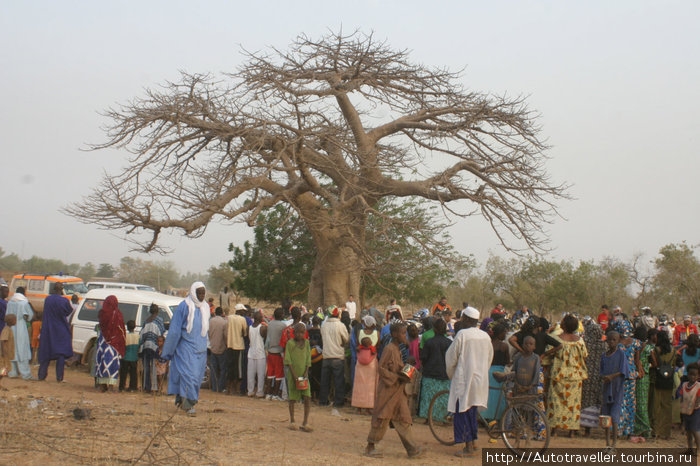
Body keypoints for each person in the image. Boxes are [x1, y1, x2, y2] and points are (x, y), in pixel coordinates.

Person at [364, 322, 423, 459]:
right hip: (388, 390)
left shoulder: (397, 349)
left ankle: (412, 448)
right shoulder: (389, 349)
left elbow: (398, 367)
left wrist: (408, 366)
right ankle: (370, 446)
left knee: (403, 418)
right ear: (395, 334)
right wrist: (396, 377)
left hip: (398, 391)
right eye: (403, 333)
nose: (405, 336)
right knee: (382, 417)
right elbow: (382, 368)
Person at [445, 306, 493, 457]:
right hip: (479, 381)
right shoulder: (485, 336)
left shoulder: (462, 335)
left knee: (462, 412)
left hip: (464, 380)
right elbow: (489, 358)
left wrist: (451, 373)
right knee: (472, 412)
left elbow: (451, 357)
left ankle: (466, 447)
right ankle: (474, 441)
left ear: (465, 319)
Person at [160, 282, 210, 415]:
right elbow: (175, 330)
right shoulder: (184, 307)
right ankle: (188, 405)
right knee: (189, 376)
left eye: (203, 293)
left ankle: (182, 400)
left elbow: (206, 330)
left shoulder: (205, 307)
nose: (201, 295)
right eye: (199, 293)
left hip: (200, 351)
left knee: (197, 378)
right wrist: (168, 351)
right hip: (186, 349)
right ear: (193, 292)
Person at [547, 314, 588, 437]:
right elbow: (585, 355)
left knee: (555, 402)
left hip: (558, 374)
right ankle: (572, 430)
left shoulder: (555, 339)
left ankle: (554, 428)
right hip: (575, 376)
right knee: (573, 404)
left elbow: (548, 356)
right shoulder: (579, 341)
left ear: (563, 325)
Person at [36, 283, 73, 382]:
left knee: (46, 351)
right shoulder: (64, 300)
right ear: (62, 290)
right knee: (60, 353)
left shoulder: (48, 299)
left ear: (53, 289)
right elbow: (69, 311)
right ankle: (59, 377)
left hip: (48, 328)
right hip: (61, 328)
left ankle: (41, 376)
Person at [418, 318, 452, 420]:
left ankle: (428, 418)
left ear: (435, 329)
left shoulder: (429, 342)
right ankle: (441, 418)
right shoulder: (449, 343)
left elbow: (423, 357)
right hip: (444, 375)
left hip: (430, 374)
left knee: (428, 397)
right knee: (442, 398)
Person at [600, 330, 628, 451]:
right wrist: (604, 378)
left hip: (617, 389)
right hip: (606, 389)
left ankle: (614, 444)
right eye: (609, 340)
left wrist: (611, 376)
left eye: (614, 340)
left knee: (615, 416)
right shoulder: (603, 356)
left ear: (618, 341)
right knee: (606, 417)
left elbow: (623, 371)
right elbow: (601, 372)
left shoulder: (621, 354)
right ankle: (607, 443)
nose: (611, 342)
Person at [615, 319, 641, 438]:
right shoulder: (635, 343)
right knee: (630, 403)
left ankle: (618, 430)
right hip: (631, 375)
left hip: (618, 375)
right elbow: (637, 360)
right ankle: (629, 430)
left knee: (619, 402)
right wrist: (640, 371)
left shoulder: (616, 343)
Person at [285, 323, 313, 432]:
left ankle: (305, 422)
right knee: (292, 398)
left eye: (302, 332)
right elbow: (288, 360)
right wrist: (294, 375)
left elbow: (308, 358)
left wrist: (306, 371)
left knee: (307, 397)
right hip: (293, 375)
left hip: (304, 376)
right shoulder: (290, 344)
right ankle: (292, 420)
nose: (300, 335)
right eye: (297, 332)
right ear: (294, 332)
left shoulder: (306, 343)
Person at [319, 305, 349, 407]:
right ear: (337, 314)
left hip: (326, 356)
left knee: (325, 381)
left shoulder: (323, 326)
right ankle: (338, 402)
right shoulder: (341, 326)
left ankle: (323, 401)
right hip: (337, 356)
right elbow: (346, 339)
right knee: (339, 381)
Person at [96, 295, 126, 391]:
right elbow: (121, 329)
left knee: (101, 361)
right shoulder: (118, 314)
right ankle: (111, 387)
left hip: (103, 341)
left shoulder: (102, 313)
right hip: (114, 343)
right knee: (112, 362)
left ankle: (101, 385)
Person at [651, 330, 675, 439]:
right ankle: (666, 432)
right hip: (669, 380)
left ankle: (656, 430)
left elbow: (655, 365)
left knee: (656, 406)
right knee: (667, 406)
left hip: (658, 379)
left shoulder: (656, 350)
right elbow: (674, 364)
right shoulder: (673, 350)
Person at [482, 323, 510, 422]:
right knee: (498, 396)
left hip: (487, 372)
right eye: (504, 333)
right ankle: (497, 418)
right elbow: (507, 361)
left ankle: (484, 417)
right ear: (500, 334)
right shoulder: (504, 346)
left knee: (487, 395)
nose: (505, 335)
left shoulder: (488, 344)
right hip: (499, 373)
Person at [351, 315, 379, 412]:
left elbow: (358, 345)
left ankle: (358, 406)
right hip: (371, 362)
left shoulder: (360, 332)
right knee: (370, 386)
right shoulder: (377, 333)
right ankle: (368, 407)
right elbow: (378, 347)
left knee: (359, 384)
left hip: (360, 361)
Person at [7, 287, 35, 380]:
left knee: (12, 348)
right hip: (20, 328)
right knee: (22, 349)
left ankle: (13, 372)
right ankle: (25, 374)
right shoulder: (24, 303)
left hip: (10, 327)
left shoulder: (10, 302)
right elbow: (29, 316)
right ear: (24, 293)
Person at [581, 318, 605, 419]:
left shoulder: (585, 343)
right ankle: (589, 426)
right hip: (598, 377)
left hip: (585, 374)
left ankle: (578, 424)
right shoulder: (604, 345)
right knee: (594, 401)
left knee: (582, 399)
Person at [634, 327, 655, 438]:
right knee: (643, 404)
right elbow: (655, 363)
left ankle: (638, 428)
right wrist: (648, 365)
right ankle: (646, 429)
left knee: (637, 403)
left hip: (635, 377)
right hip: (645, 377)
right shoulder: (648, 348)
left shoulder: (633, 346)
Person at [140, 303, 165, 393]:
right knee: (154, 367)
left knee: (146, 367)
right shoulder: (159, 320)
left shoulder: (146, 321)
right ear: (157, 311)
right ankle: (154, 387)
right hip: (154, 347)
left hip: (145, 346)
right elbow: (161, 333)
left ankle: (146, 387)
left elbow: (141, 334)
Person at [265, 307, 287, 400]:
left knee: (270, 373)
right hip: (278, 352)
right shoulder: (283, 326)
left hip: (270, 352)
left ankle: (268, 393)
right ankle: (275, 394)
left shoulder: (269, 324)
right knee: (279, 375)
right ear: (281, 315)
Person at [225, 303, 248, 395]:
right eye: (243, 311)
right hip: (239, 346)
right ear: (240, 311)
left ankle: (228, 389)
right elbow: (244, 333)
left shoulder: (229, 318)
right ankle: (236, 389)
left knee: (230, 367)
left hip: (230, 345)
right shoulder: (242, 319)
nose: (244, 312)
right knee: (238, 369)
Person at [680, 363, 700, 454]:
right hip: (686, 410)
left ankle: (699, 450)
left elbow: (698, 398)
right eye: (690, 374)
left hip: (696, 411)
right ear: (687, 374)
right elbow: (682, 396)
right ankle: (690, 449)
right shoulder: (684, 385)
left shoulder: (698, 386)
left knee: (695, 430)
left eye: (694, 375)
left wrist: (696, 404)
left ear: (698, 376)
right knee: (688, 430)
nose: (692, 377)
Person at [247, 310, 267, 398]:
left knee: (250, 375)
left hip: (251, 353)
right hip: (260, 354)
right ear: (260, 318)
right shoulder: (262, 328)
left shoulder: (249, 328)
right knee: (261, 375)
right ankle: (259, 392)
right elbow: (265, 339)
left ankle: (250, 391)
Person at [208, 306, 228, 392]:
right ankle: (220, 387)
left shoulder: (211, 321)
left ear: (215, 313)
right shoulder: (224, 322)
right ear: (222, 313)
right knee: (223, 369)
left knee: (213, 369)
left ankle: (214, 387)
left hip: (212, 347)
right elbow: (226, 336)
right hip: (222, 348)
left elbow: (208, 333)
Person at [118, 320, 139, 391]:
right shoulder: (138, 336)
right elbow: (139, 345)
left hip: (125, 357)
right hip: (134, 357)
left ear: (127, 327)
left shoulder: (125, 336)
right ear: (135, 327)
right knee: (133, 374)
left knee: (123, 373)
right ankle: (133, 387)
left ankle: (121, 387)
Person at [308, 315, 323, 399]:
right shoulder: (321, 332)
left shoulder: (308, 331)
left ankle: (310, 393)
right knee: (318, 375)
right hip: (318, 356)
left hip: (309, 355)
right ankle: (317, 394)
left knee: (310, 374)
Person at [0, 314, 16, 386]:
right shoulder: (6, 330)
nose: (16, 321)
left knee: (5, 369)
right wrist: (3, 353)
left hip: (6, 353)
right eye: (14, 320)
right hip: (4, 354)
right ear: (11, 321)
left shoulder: (9, 329)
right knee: (4, 369)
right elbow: (3, 341)